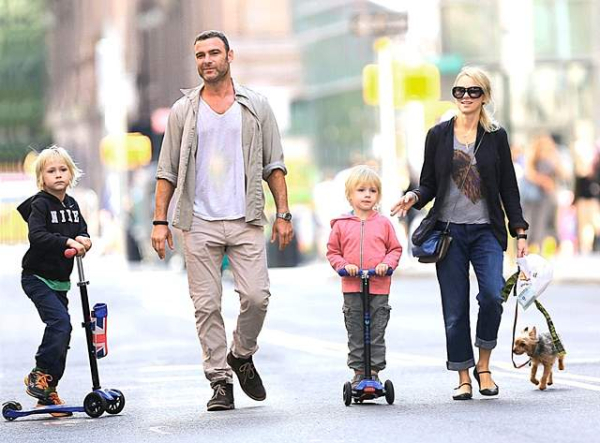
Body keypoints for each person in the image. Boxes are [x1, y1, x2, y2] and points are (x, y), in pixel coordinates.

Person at [151, 30, 293, 412]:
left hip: (246, 217)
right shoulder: (184, 110)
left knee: (256, 297)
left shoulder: (256, 106)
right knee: (206, 306)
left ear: (230, 55)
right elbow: (166, 171)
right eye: (200, 55)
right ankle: (219, 381)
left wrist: (283, 213)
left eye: (214, 53)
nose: (207, 60)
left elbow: (273, 164)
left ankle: (241, 354)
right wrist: (160, 221)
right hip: (197, 222)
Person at [391, 66, 529, 400]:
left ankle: (484, 366)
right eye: (459, 91)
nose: (465, 97)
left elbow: (508, 187)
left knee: (493, 296)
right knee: (454, 309)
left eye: (473, 92)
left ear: (485, 96)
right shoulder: (438, 135)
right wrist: (413, 197)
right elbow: (427, 184)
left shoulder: (495, 136)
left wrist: (520, 231)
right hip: (449, 233)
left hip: (486, 232)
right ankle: (464, 376)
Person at [17, 146, 92, 416]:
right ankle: (40, 374)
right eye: (51, 171)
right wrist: (66, 242)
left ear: (71, 174)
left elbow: (81, 229)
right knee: (60, 324)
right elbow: (37, 236)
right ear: (42, 178)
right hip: (37, 277)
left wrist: (84, 239)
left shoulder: (71, 204)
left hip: (60, 281)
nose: (58, 175)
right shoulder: (40, 204)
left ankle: (47, 393)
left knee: (64, 331)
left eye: (63, 170)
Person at [326, 165, 402, 387]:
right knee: (356, 329)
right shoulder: (341, 225)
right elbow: (333, 251)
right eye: (361, 190)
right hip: (352, 286)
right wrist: (344, 265)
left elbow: (395, 249)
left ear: (378, 195)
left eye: (372, 190)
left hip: (378, 286)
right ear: (349, 195)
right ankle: (359, 371)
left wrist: (385, 265)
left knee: (376, 330)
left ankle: (375, 371)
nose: (367, 194)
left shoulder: (384, 223)